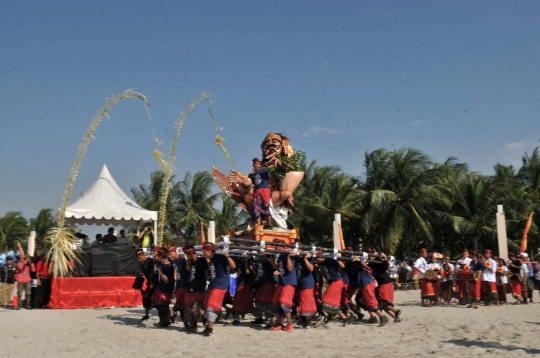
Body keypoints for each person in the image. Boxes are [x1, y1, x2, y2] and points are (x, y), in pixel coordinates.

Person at [202, 243, 236, 337]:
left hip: (220, 285)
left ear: (209, 251)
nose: (202, 252)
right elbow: (211, 270)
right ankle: (208, 327)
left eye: (204, 251)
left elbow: (233, 266)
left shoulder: (221, 257)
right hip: (213, 284)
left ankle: (210, 328)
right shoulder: (212, 259)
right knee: (206, 305)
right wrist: (207, 261)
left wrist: (227, 256)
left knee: (211, 306)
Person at [351, 255, 389, 327]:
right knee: (360, 299)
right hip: (364, 284)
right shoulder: (356, 264)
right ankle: (373, 317)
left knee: (370, 301)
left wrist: (359, 260)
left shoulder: (362, 264)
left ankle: (382, 317)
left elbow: (366, 266)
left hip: (367, 283)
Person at [268, 248, 297, 332]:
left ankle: (289, 323)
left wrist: (288, 257)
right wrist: (271, 261)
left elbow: (290, 268)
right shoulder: (280, 256)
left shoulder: (291, 256)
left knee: (284, 302)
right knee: (275, 302)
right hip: (281, 282)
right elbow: (279, 269)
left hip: (290, 282)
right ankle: (279, 324)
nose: (276, 247)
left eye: (277, 246)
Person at [369, 251, 402, 322]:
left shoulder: (378, 261)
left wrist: (385, 258)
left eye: (371, 255)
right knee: (384, 305)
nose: (370, 257)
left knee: (383, 304)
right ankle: (396, 318)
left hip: (384, 285)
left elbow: (386, 266)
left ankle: (396, 311)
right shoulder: (372, 264)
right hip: (386, 284)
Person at [184, 244, 208, 332]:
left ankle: (196, 324)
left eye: (187, 254)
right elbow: (190, 271)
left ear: (191, 254)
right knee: (191, 308)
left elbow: (206, 270)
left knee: (194, 308)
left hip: (199, 287)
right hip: (192, 287)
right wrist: (187, 262)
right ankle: (200, 320)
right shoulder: (192, 261)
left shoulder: (201, 260)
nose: (186, 256)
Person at [152, 248, 175, 327]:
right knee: (157, 305)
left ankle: (166, 321)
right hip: (160, 287)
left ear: (160, 256)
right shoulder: (159, 263)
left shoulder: (169, 266)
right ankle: (163, 319)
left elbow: (167, 280)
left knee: (162, 304)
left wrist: (160, 272)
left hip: (167, 288)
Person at [168, 247, 189, 327]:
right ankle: (184, 323)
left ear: (175, 252)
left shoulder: (182, 259)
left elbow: (188, 269)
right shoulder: (175, 261)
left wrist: (186, 260)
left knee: (185, 306)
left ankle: (189, 323)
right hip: (179, 285)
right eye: (169, 254)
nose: (170, 256)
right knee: (180, 306)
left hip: (185, 285)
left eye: (171, 254)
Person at [231, 256, 254, 325]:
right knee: (237, 301)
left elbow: (247, 271)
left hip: (245, 284)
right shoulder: (238, 259)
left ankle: (259, 317)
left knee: (246, 302)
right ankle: (236, 318)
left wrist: (246, 260)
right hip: (239, 283)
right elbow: (233, 270)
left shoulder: (247, 260)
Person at [135, 248, 155, 321]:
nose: (139, 259)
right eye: (138, 257)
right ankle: (146, 315)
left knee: (157, 301)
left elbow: (153, 274)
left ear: (144, 255)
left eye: (140, 256)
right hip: (148, 282)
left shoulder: (150, 261)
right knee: (145, 298)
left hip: (153, 283)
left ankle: (170, 315)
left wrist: (151, 284)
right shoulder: (142, 264)